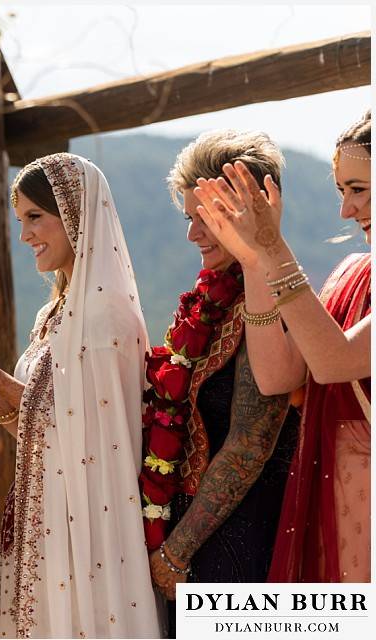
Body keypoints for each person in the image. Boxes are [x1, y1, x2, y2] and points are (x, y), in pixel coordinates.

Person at [0, 153, 161, 638]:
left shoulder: (106, 317)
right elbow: (42, 433)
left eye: (35, 217)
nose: (24, 235)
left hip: (88, 528)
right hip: (48, 517)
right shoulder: (57, 315)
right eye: (20, 220)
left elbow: (90, 438)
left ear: (75, 215)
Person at [191, 111, 371, 582]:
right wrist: (254, 260)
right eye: (342, 191)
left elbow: (335, 362)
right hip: (336, 503)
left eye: (359, 189)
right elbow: (279, 376)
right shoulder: (352, 272)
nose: (346, 211)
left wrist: (272, 246)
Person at [148, 131, 300, 635]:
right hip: (194, 537)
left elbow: (251, 444)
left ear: (246, 213)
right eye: (189, 217)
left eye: (206, 218)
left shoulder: (274, 303)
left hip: (245, 543)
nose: (193, 234)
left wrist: (176, 550)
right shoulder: (208, 304)